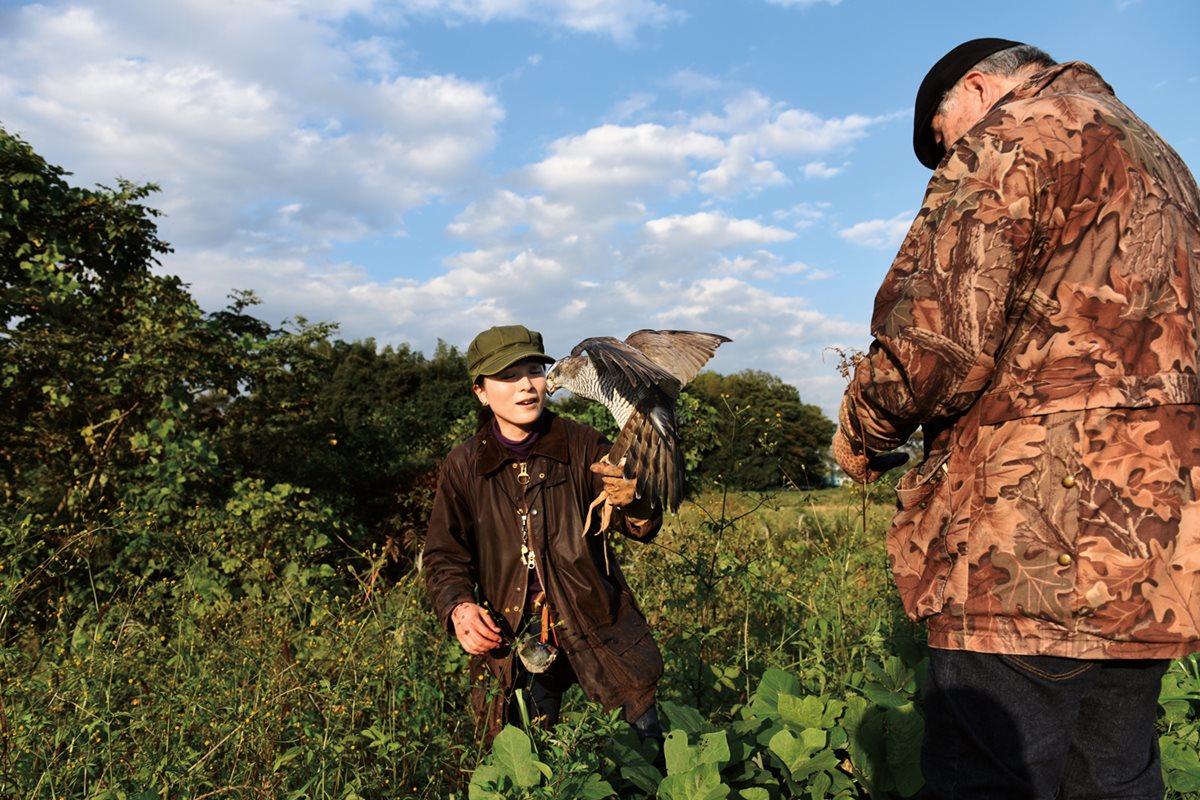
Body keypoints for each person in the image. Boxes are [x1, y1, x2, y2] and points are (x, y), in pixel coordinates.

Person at [832, 38, 1200, 798]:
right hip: (1156, 550)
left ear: (975, 86)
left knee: (989, 778)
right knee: (1116, 778)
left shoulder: (1014, 135)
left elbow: (933, 346)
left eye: (942, 138)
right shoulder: (1164, 162)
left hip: (1026, 545)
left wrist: (862, 431)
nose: (947, 158)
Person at [422, 324, 665, 746]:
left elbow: (638, 524)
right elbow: (444, 553)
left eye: (533, 370)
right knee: (526, 771)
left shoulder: (582, 443)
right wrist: (459, 608)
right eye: (507, 376)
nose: (526, 386)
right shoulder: (464, 464)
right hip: (514, 637)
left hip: (597, 625)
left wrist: (635, 500)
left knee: (647, 762)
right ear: (480, 391)